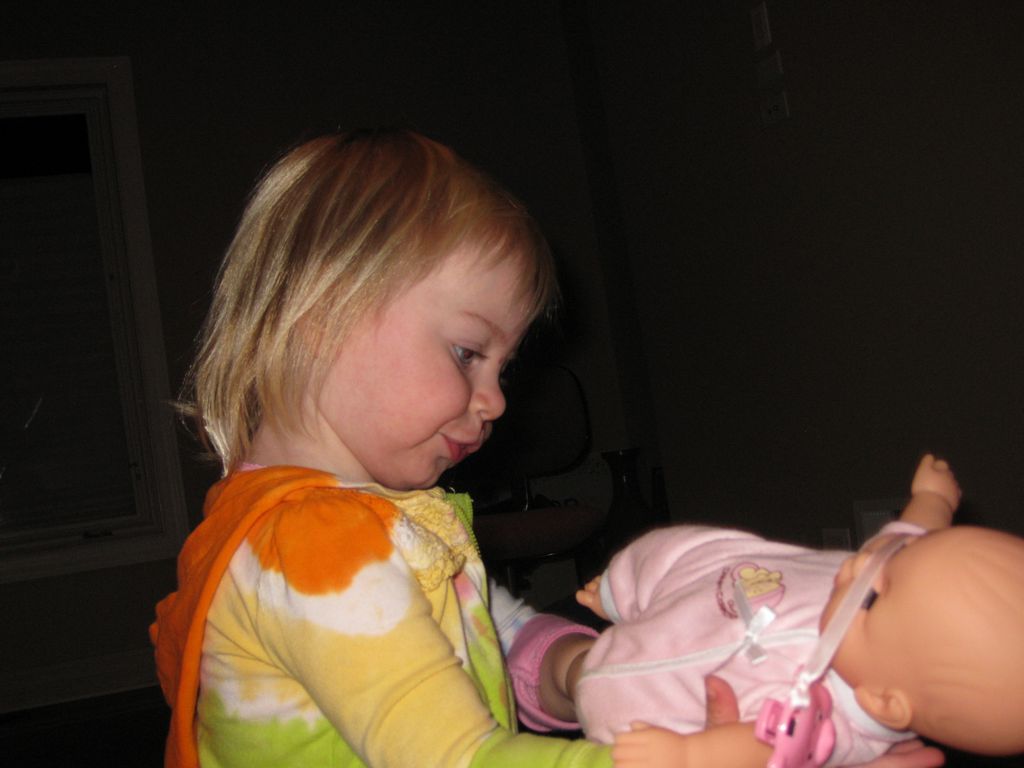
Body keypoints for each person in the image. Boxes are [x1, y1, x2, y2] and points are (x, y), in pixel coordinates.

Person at [149, 128, 946, 768]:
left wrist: (581, 671)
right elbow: (460, 757)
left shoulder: (361, 521)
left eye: (503, 367)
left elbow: (486, 633)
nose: (496, 401)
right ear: (319, 317)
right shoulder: (314, 551)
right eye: (468, 352)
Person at [569, 455, 1024, 767]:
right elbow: (912, 536)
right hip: (721, 582)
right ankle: (618, 591)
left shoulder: (831, 723)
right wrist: (934, 500)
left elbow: (761, 747)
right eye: (893, 560)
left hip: (650, 695)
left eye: (874, 595)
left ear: (883, 701)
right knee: (692, 551)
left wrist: (688, 756)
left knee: (619, 703)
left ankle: (600, 677)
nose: (862, 564)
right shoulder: (892, 585)